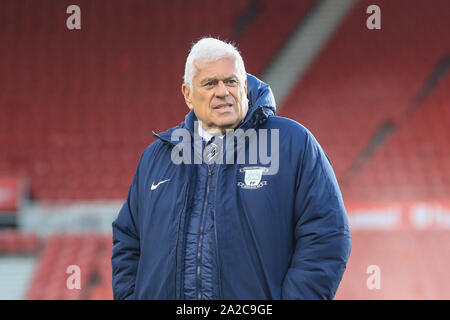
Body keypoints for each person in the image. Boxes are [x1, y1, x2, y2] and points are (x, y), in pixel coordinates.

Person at [111, 37, 351, 300]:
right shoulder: (156, 158)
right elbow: (128, 241)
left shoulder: (292, 143)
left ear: (244, 85)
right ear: (188, 94)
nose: (223, 91)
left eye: (232, 81)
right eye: (210, 83)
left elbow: (327, 236)